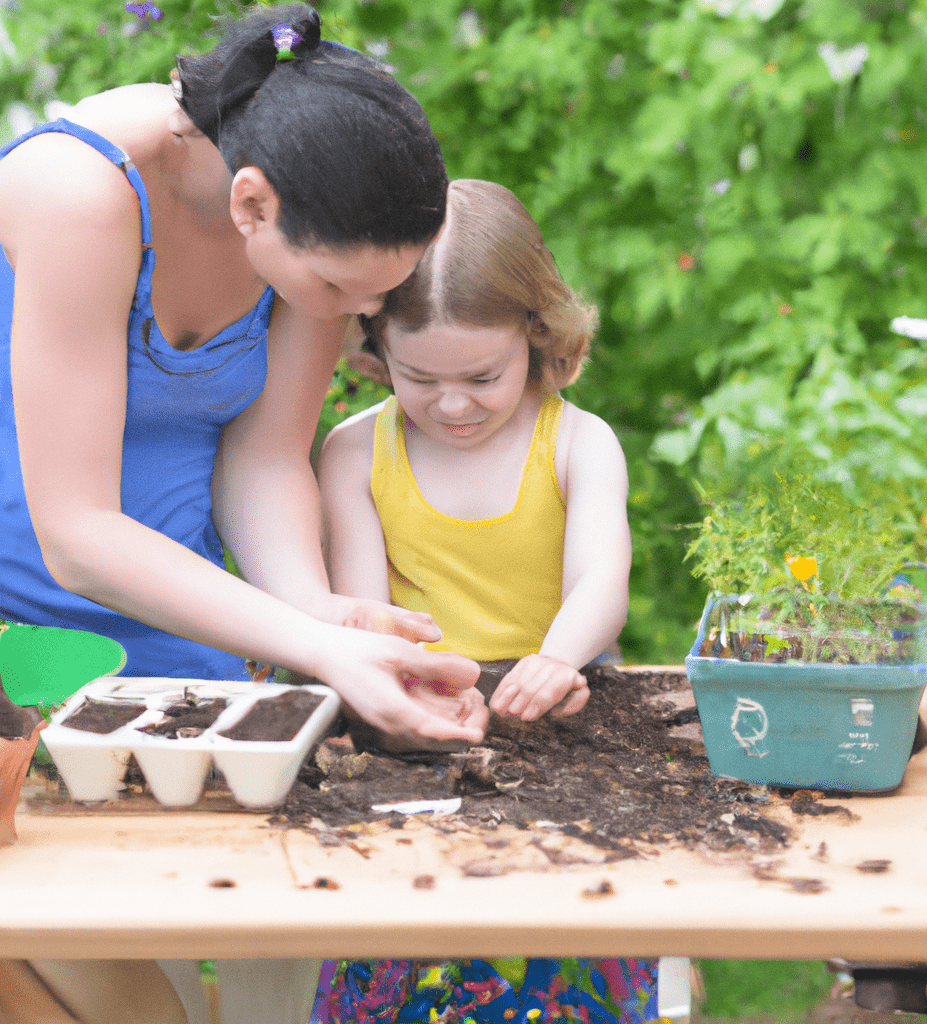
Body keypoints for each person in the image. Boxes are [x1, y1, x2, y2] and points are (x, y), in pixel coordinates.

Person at [0, 5, 484, 1021]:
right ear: (253, 203)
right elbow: (75, 531)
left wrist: (324, 620)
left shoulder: (304, 229)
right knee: (144, 1007)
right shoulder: (78, 192)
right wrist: (310, 639)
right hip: (22, 664)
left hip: (193, 640)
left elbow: (264, 462)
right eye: (339, 287)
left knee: (273, 980)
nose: (352, 315)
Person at [316, 179, 658, 1022]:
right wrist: (414, 692)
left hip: (565, 708)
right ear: (376, 345)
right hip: (412, 727)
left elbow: (599, 583)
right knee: (407, 971)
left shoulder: (580, 441)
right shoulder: (353, 451)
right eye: (418, 378)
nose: (454, 404)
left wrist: (556, 658)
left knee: (573, 962)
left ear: (538, 338)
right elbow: (365, 614)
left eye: (482, 375)